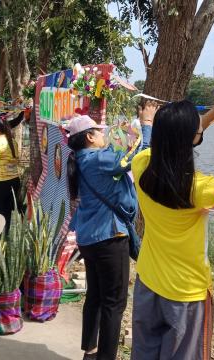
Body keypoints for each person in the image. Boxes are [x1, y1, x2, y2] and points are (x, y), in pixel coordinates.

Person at [130, 95, 214, 360]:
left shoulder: (141, 165)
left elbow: (184, 134)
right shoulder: (202, 189)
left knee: (143, 354)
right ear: (191, 138)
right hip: (186, 294)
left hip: (148, 283)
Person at [66, 110, 154, 360]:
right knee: (114, 303)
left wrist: (130, 132)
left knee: (95, 296)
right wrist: (146, 126)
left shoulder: (84, 158)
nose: (104, 134)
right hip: (108, 238)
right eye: (100, 131)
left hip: (90, 238)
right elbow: (138, 158)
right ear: (90, 137)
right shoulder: (97, 159)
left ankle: (90, 351)